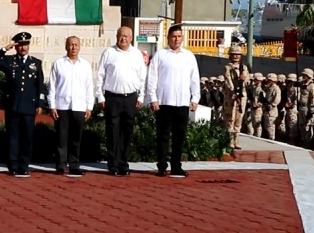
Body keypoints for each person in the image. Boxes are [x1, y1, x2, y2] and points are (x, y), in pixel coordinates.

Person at [0, 31, 47, 177]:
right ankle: (13, 165)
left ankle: (24, 165)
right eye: (20, 45)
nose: (23, 48)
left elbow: (40, 85)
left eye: (25, 45)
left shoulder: (36, 63)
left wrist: (40, 103)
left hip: (29, 106)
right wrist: (5, 48)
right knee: (12, 137)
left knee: (27, 137)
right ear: (16, 46)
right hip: (13, 105)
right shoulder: (9, 61)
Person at [145, 25, 200, 178]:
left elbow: (194, 78)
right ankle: (162, 166)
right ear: (168, 38)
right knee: (163, 136)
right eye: (173, 36)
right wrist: (153, 98)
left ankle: (176, 166)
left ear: (182, 38)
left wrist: (195, 98)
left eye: (179, 36)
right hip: (164, 101)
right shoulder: (160, 55)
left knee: (179, 136)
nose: (176, 39)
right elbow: (152, 78)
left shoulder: (188, 56)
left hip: (182, 102)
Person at [95, 26, 146, 176]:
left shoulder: (137, 54)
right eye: (120, 36)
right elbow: (100, 76)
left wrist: (141, 96)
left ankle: (123, 162)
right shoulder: (109, 52)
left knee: (127, 132)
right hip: (112, 97)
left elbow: (142, 77)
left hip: (130, 98)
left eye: (126, 36)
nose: (123, 39)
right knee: (112, 131)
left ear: (131, 38)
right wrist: (100, 96)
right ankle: (113, 164)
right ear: (116, 36)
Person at [48, 36, 93, 177]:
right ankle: (60, 165)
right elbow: (52, 87)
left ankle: (74, 165)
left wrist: (89, 106)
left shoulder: (85, 65)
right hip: (62, 105)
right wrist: (52, 106)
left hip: (79, 106)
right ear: (66, 47)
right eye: (71, 45)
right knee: (61, 137)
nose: (73, 48)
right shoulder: (58, 64)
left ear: (80, 47)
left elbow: (89, 87)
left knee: (76, 138)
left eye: (76, 45)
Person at [222, 44, 249, 149]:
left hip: (241, 96)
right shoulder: (228, 67)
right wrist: (234, 91)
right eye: (234, 55)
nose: (236, 57)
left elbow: (247, 81)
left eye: (238, 55)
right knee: (230, 118)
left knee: (239, 119)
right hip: (230, 96)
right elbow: (228, 80)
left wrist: (244, 79)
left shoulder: (244, 67)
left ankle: (236, 140)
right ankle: (229, 141)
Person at [297, 68, 314, 147]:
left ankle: (308, 143)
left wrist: (311, 111)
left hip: (307, 109)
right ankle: (303, 141)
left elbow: (313, 99)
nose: (303, 76)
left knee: (307, 127)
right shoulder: (302, 84)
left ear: (308, 76)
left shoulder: (312, 86)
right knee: (301, 126)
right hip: (301, 108)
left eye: (304, 75)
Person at [262, 73, 281, 141]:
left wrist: (272, 105)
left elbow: (277, 99)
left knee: (270, 127)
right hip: (267, 109)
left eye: (269, 80)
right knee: (266, 126)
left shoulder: (276, 88)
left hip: (272, 110)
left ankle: (272, 139)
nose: (268, 81)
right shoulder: (269, 88)